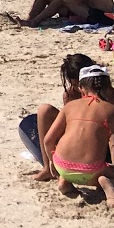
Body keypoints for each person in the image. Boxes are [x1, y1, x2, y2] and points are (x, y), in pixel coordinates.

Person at [42, 66, 114, 206]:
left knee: (72, 166)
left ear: (81, 88)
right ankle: (107, 183)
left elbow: (48, 140)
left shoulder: (69, 106)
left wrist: (53, 163)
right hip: (92, 171)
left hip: (62, 164)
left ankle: (65, 180)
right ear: (109, 88)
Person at [29, 54, 92, 182]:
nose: (77, 88)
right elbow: (69, 125)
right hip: (76, 138)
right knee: (44, 111)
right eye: (74, 85)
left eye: (79, 84)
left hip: (97, 141)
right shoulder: (70, 95)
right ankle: (47, 168)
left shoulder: (108, 94)